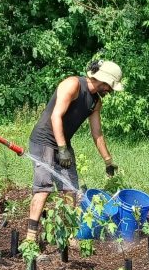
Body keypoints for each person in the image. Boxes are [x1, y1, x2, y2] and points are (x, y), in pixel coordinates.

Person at [25, 59, 125, 243]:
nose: (110, 91)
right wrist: (62, 149)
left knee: (70, 188)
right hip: (43, 140)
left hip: (63, 142)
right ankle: (30, 238)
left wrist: (108, 161)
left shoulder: (95, 102)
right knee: (43, 188)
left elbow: (97, 133)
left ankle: (68, 233)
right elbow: (56, 116)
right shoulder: (72, 85)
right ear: (104, 80)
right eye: (110, 87)